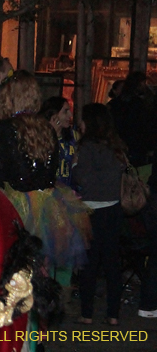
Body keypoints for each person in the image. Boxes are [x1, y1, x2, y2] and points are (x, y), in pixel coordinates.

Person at [0, 72, 90, 271]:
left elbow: (4, 168)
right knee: (41, 262)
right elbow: (51, 168)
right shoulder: (46, 128)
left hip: (17, 201)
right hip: (48, 200)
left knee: (15, 261)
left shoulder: (4, 128)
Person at [74, 103, 126, 326]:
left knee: (90, 264)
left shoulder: (87, 147)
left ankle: (87, 314)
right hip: (113, 208)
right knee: (112, 263)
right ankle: (113, 314)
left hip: (92, 210)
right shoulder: (116, 146)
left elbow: (83, 179)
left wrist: (74, 166)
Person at [108, 72, 155, 168]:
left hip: (123, 145)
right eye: (142, 83)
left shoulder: (116, 104)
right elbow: (145, 126)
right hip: (135, 147)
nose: (144, 86)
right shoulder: (138, 104)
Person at [39, 96, 80, 189]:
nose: (70, 115)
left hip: (70, 191)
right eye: (65, 111)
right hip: (48, 190)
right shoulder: (40, 136)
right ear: (54, 114)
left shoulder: (74, 136)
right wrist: (51, 134)